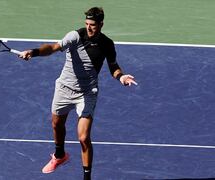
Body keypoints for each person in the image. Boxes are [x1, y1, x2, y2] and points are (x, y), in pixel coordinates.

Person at [19, 7, 137, 180]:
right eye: (87, 24)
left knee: (83, 137)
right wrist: (34, 52)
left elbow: (113, 66)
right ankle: (59, 156)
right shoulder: (75, 36)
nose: (89, 28)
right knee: (57, 125)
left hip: (87, 93)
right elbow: (53, 48)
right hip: (64, 88)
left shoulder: (107, 44)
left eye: (93, 25)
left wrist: (121, 76)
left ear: (101, 24)